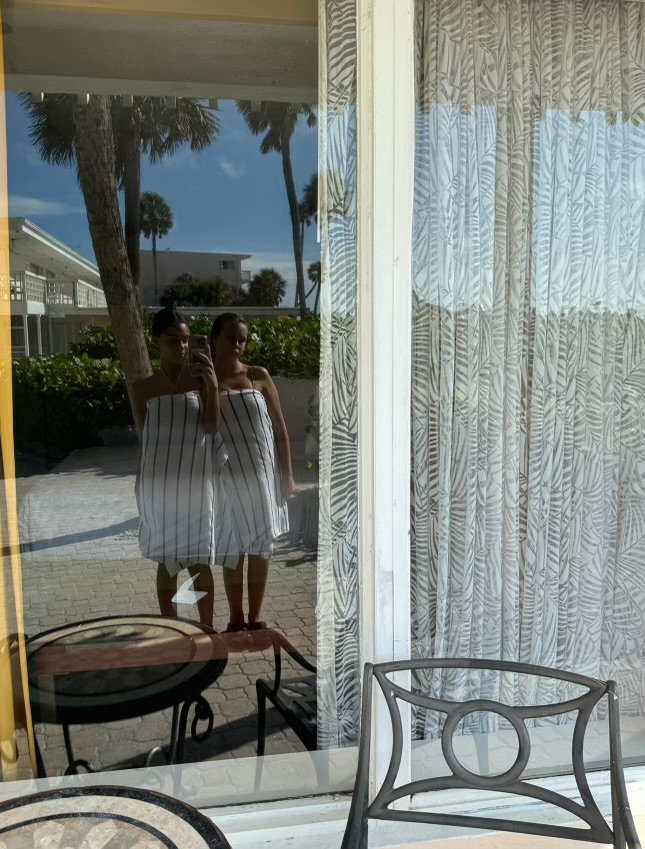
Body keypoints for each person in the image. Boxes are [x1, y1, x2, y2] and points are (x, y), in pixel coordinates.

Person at [132, 304, 235, 627]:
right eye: (173, 340)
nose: (182, 347)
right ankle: (171, 628)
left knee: (199, 561)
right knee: (167, 560)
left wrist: (212, 384)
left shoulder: (201, 381)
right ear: (156, 341)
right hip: (160, 486)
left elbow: (211, 427)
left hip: (196, 485)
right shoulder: (143, 389)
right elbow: (145, 442)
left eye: (186, 340)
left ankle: (206, 628)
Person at [210, 313, 293, 631]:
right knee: (232, 547)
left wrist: (286, 472)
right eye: (230, 337)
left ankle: (255, 617)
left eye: (241, 338)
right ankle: (235, 618)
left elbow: (280, 428)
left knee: (260, 546)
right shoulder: (205, 379)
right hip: (224, 476)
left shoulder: (258, 375)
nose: (236, 344)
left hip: (260, 474)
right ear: (214, 339)